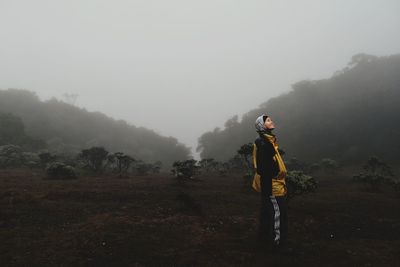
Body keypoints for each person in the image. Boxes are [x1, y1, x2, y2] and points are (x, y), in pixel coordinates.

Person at [252, 114, 288, 251]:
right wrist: (275, 174)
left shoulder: (268, 140)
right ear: (261, 125)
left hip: (273, 183)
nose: (271, 121)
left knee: (267, 212)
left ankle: (264, 240)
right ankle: (278, 243)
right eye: (267, 120)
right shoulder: (263, 142)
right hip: (272, 184)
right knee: (278, 214)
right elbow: (263, 167)